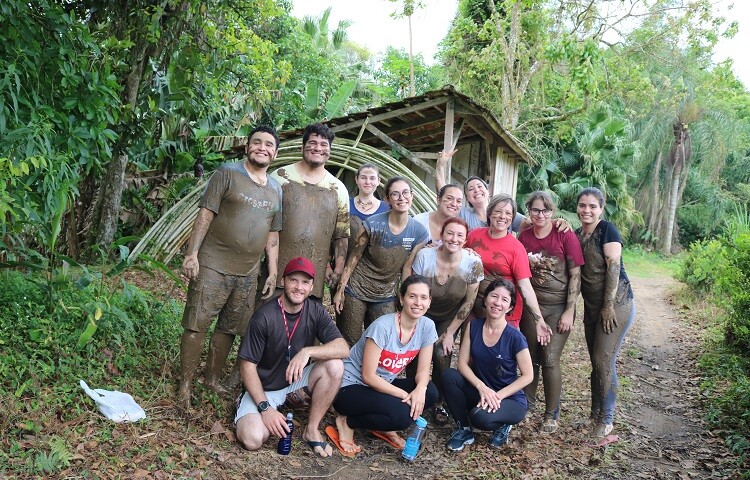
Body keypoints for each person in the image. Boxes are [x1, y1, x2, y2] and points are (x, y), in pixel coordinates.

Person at [178, 125, 282, 411]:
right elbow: (205, 214)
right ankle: (185, 383)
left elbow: (273, 235)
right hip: (213, 263)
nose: (262, 147)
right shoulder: (227, 173)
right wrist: (192, 254)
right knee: (197, 323)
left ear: (275, 152)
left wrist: (272, 272)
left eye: (269, 144)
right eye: (257, 142)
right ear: (247, 147)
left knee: (229, 328)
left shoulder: (275, 188)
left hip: (248, 272)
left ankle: (211, 378)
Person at [234, 257, 349, 457]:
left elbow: (343, 347)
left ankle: (311, 429)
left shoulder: (316, 311)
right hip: (265, 389)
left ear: (312, 287)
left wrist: (308, 351)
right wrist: (265, 408)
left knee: (335, 366)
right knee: (252, 439)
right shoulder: (264, 316)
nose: (299, 287)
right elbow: (247, 366)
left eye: (305, 282)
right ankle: (250, 408)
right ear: (283, 281)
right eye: (293, 280)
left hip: (295, 382)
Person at [328, 275, 440, 455]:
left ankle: (382, 425)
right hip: (350, 388)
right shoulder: (383, 327)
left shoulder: (427, 326)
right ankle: (347, 422)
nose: (418, 302)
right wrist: (404, 395)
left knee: (430, 391)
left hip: (380, 386)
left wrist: (419, 390)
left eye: (423, 297)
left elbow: (424, 370)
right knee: (403, 416)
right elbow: (368, 376)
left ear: (429, 301)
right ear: (402, 299)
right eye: (412, 296)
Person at [333, 176, 430, 346]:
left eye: (406, 193)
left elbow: (406, 268)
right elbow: (354, 258)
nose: (401, 198)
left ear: (412, 196)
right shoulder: (372, 224)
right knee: (350, 340)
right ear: (387, 199)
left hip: (386, 293)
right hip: (357, 289)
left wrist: (405, 298)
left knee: (379, 341)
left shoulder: (419, 232)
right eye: (395, 194)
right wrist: (340, 290)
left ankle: (371, 373)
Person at [518, 191, 584, 433]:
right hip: (532, 306)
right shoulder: (524, 236)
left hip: (558, 307)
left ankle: (551, 414)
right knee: (530, 357)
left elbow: (575, 274)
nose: (540, 215)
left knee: (549, 358)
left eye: (545, 210)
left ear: (553, 212)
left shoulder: (564, 235)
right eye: (535, 210)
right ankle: (527, 405)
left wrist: (569, 311)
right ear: (529, 211)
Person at [441, 279, 534, 451]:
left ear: (510, 307)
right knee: (448, 376)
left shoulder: (515, 337)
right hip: (480, 391)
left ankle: (504, 425)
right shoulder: (473, 326)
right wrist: (482, 388)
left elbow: (528, 375)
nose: (497, 303)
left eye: (504, 300)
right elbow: (462, 364)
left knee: (480, 418)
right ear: (485, 300)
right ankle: (464, 430)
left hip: (509, 399)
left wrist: (497, 396)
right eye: (494, 296)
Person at [409, 217, 483, 421]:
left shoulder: (473, 263)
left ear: (466, 239)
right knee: (415, 354)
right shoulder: (425, 256)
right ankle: (414, 396)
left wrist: (450, 332)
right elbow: (414, 289)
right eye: (450, 233)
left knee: (441, 354)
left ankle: (440, 402)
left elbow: (469, 301)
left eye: (460, 235)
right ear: (441, 235)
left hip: (449, 316)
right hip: (422, 313)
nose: (454, 239)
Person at [575, 187, 635, 438]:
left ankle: (607, 419)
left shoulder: (607, 230)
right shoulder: (578, 234)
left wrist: (608, 305)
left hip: (616, 304)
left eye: (592, 206)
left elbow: (613, 267)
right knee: (596, 363)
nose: (586, 210)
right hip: (591, 307)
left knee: (603, 360)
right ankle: (595, 414)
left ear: (601, 208)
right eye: (582, 205)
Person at [270, 123, 349, 301]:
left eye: (324, 145)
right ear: (302, 147)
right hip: (276, 273)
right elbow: (265, 222)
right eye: (312, 143)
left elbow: (341, 235)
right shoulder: (280, 177)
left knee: (305, 325)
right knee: (268, 321)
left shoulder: (338, 188)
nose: (317, 148)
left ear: (330, 150)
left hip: (314, 279)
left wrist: (336, 269)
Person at [464, 193, 552, 344]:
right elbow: (456, 256)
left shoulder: (516, 248)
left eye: (508, 213)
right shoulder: (474, 236)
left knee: (498, 357)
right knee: (471, 353)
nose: (502, 216)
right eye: (498, 211)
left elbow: (525, 286)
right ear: (489, 213)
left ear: (512, 218)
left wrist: (538, 319)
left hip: (504, 311)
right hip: (474, 307)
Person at [434, 150, 525, 233]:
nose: (476, 190)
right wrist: (440, 165)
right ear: (467, 198)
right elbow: (444, 192)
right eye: (470, 189)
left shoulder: (504, 212)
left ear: (488, 191)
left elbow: (532, 225)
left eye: (479, 186)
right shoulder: (464, 215)